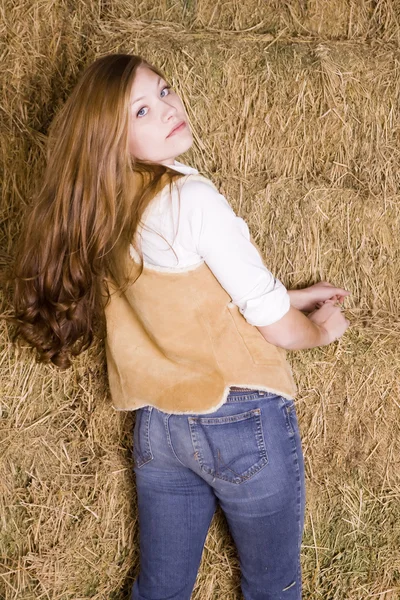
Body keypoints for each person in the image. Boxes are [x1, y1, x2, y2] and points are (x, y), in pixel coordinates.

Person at [10, 54, 350, 600]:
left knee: (161, 589)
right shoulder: (193, 198)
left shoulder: (106, 207)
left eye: (164, 90)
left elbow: (186, 300)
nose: (169, 107)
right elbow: (279, 329)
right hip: (242, 420)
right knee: (273, 585)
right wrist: (321, 330)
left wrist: (289, 295)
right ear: (111, 137)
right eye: (143, 110)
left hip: (161, 428)